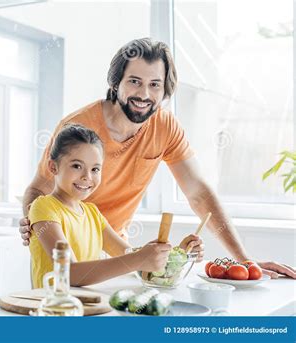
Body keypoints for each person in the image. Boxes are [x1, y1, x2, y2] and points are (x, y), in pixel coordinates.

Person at [20, 38, 296, 279]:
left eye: (155, 84)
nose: (144, 94)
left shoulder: (164, 126)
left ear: (165, 90)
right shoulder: (78, 129)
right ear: (116, 83)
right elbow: (39, 189)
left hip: (118, 255)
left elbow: (198, 192)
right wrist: (36, 222)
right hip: (67, 256)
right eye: (135, 82)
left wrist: (244, 261)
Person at [28, 124, 201, 287]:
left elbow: (131, 259)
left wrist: (179, 254)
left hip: (87, 310)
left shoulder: (92, 213)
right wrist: (139, 259)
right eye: (76, 166)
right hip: (52, 311)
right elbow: (69, 273)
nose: (87, 176)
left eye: (95, 169)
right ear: (53, 167)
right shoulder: (43, 208)